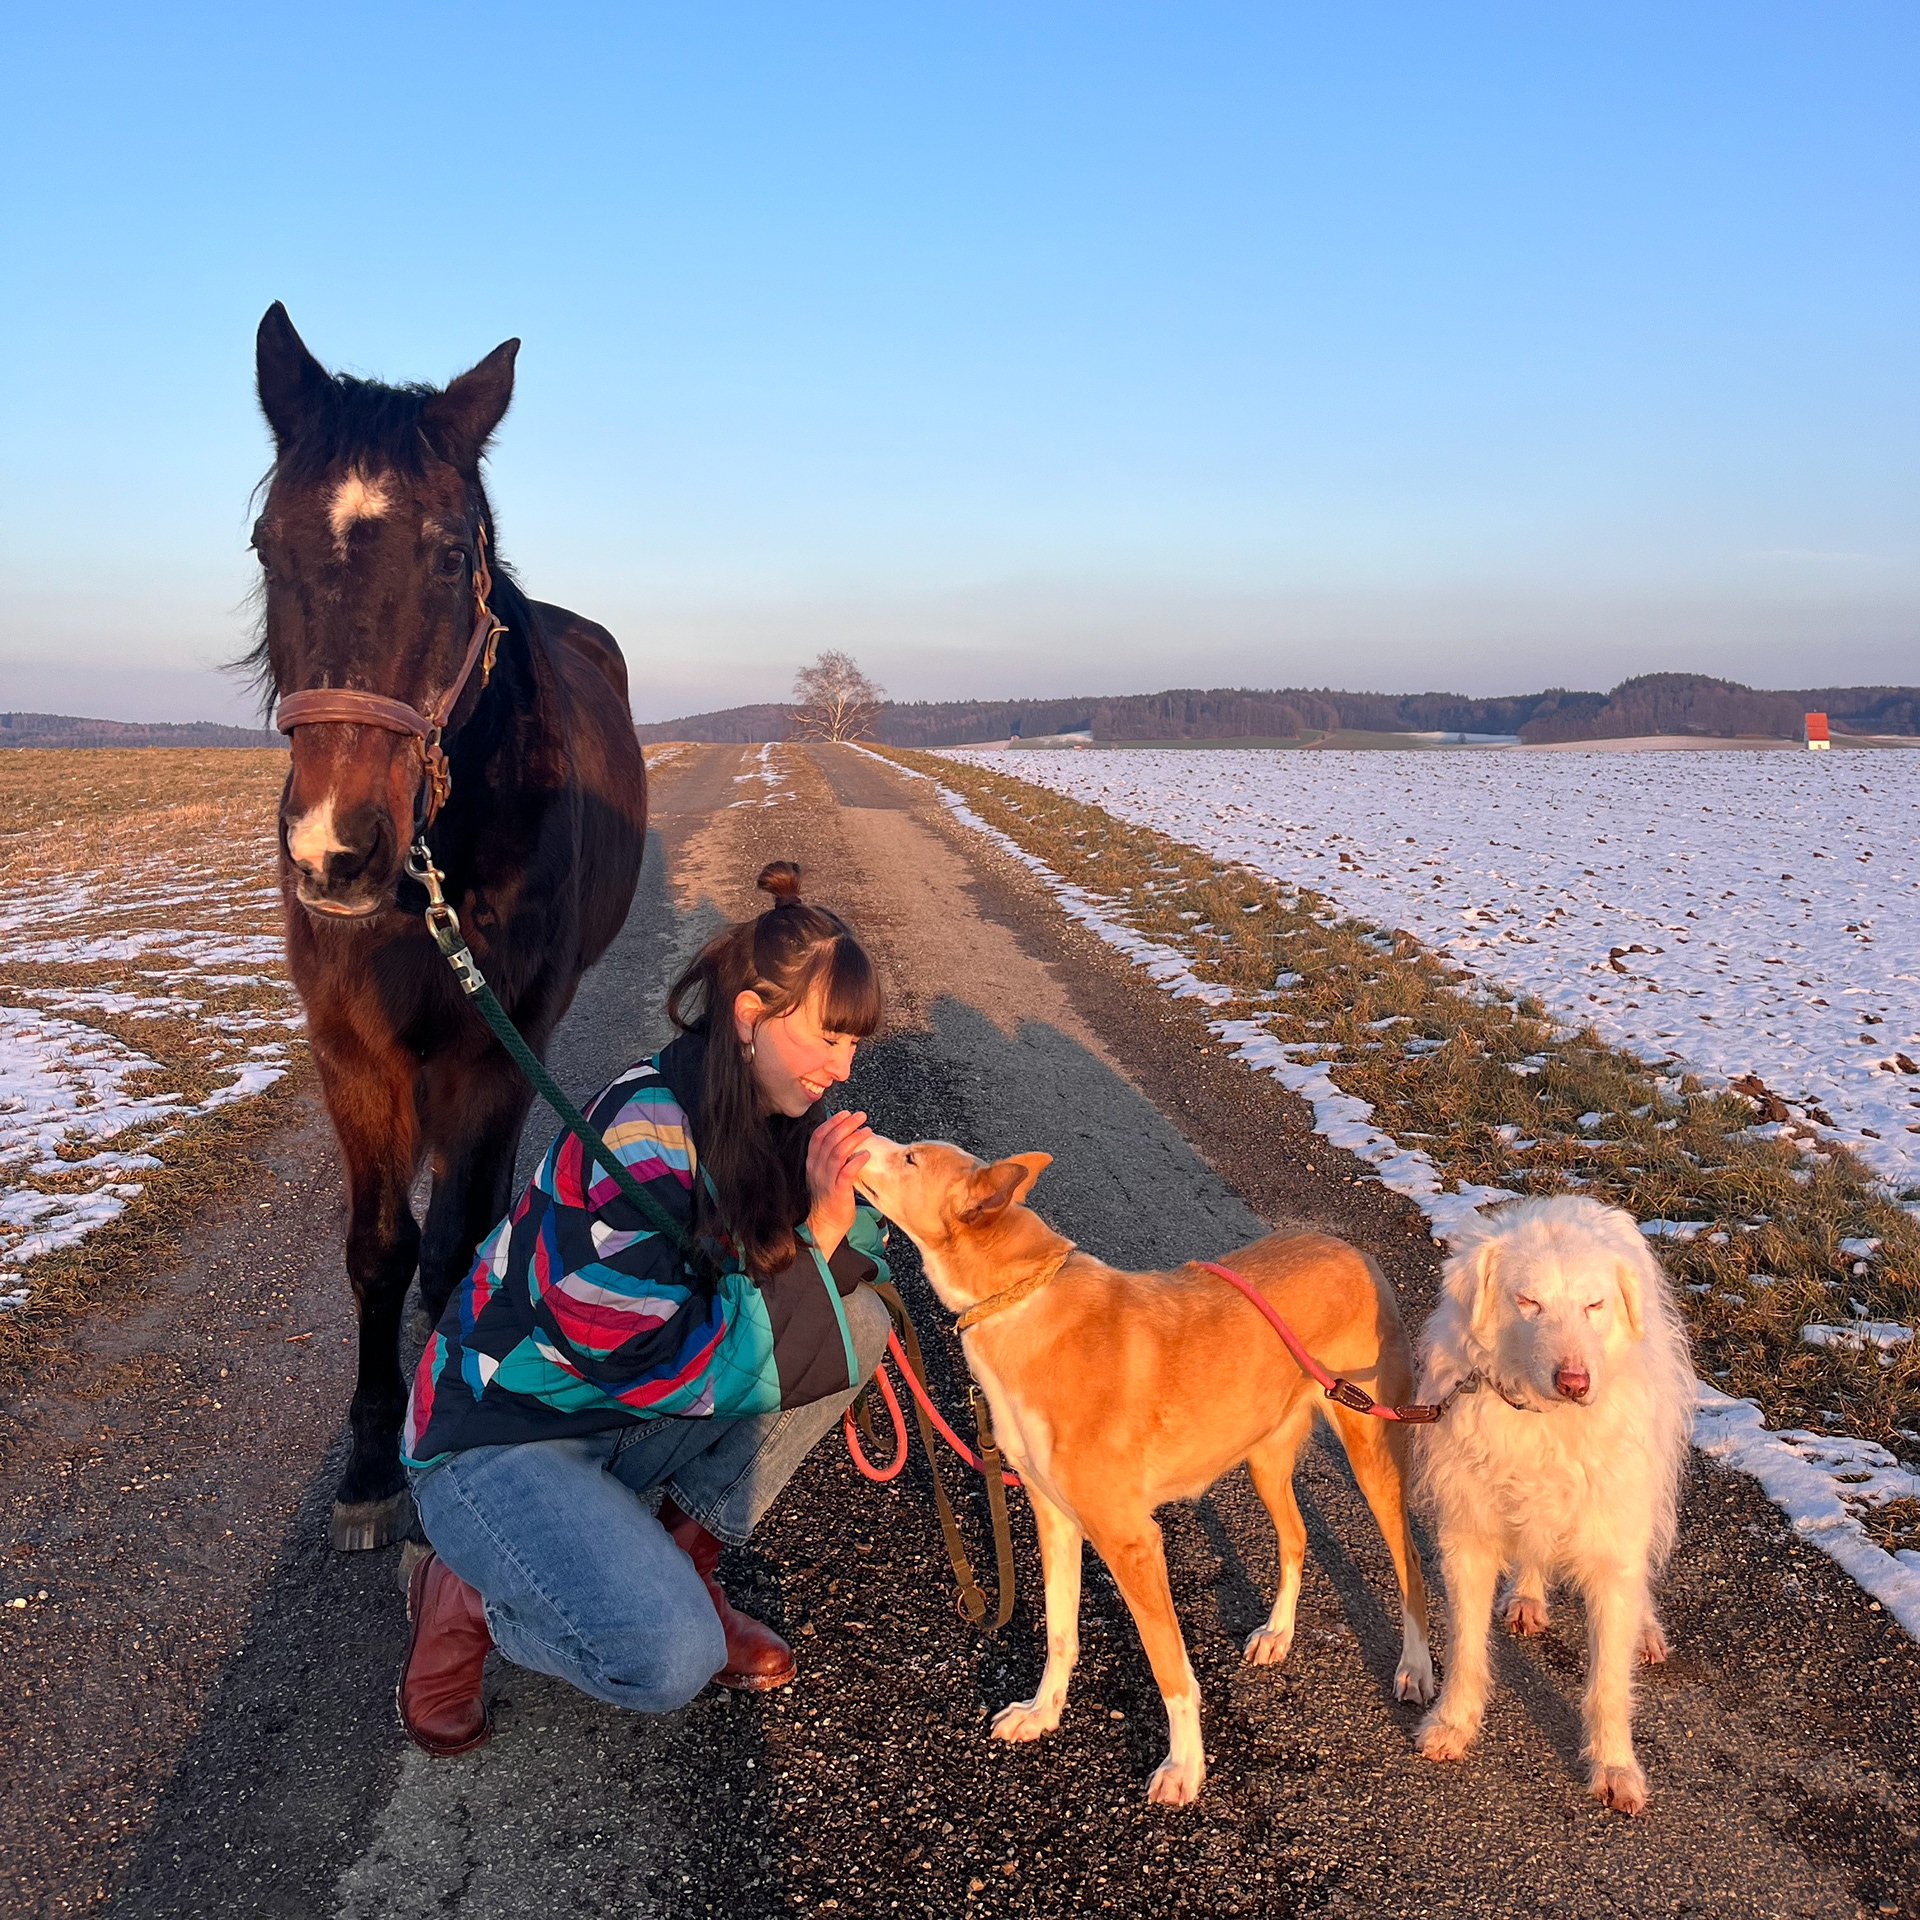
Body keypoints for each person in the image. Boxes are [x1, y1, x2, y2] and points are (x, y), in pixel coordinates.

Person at [396, 861, 891, 1755]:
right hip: (500, 1434)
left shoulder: (766, 1117)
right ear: (751, 1015)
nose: (843, 1068)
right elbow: (650, 1353)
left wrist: (846, 1217)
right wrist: (816, 1241)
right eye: (829, 1037)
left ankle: (683, 1565)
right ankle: (467, 1598)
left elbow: (816, 1304)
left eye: (854, 1046)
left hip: (611, 1415)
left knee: (858, 1331)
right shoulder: (642, 1129)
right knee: (668, 1662)